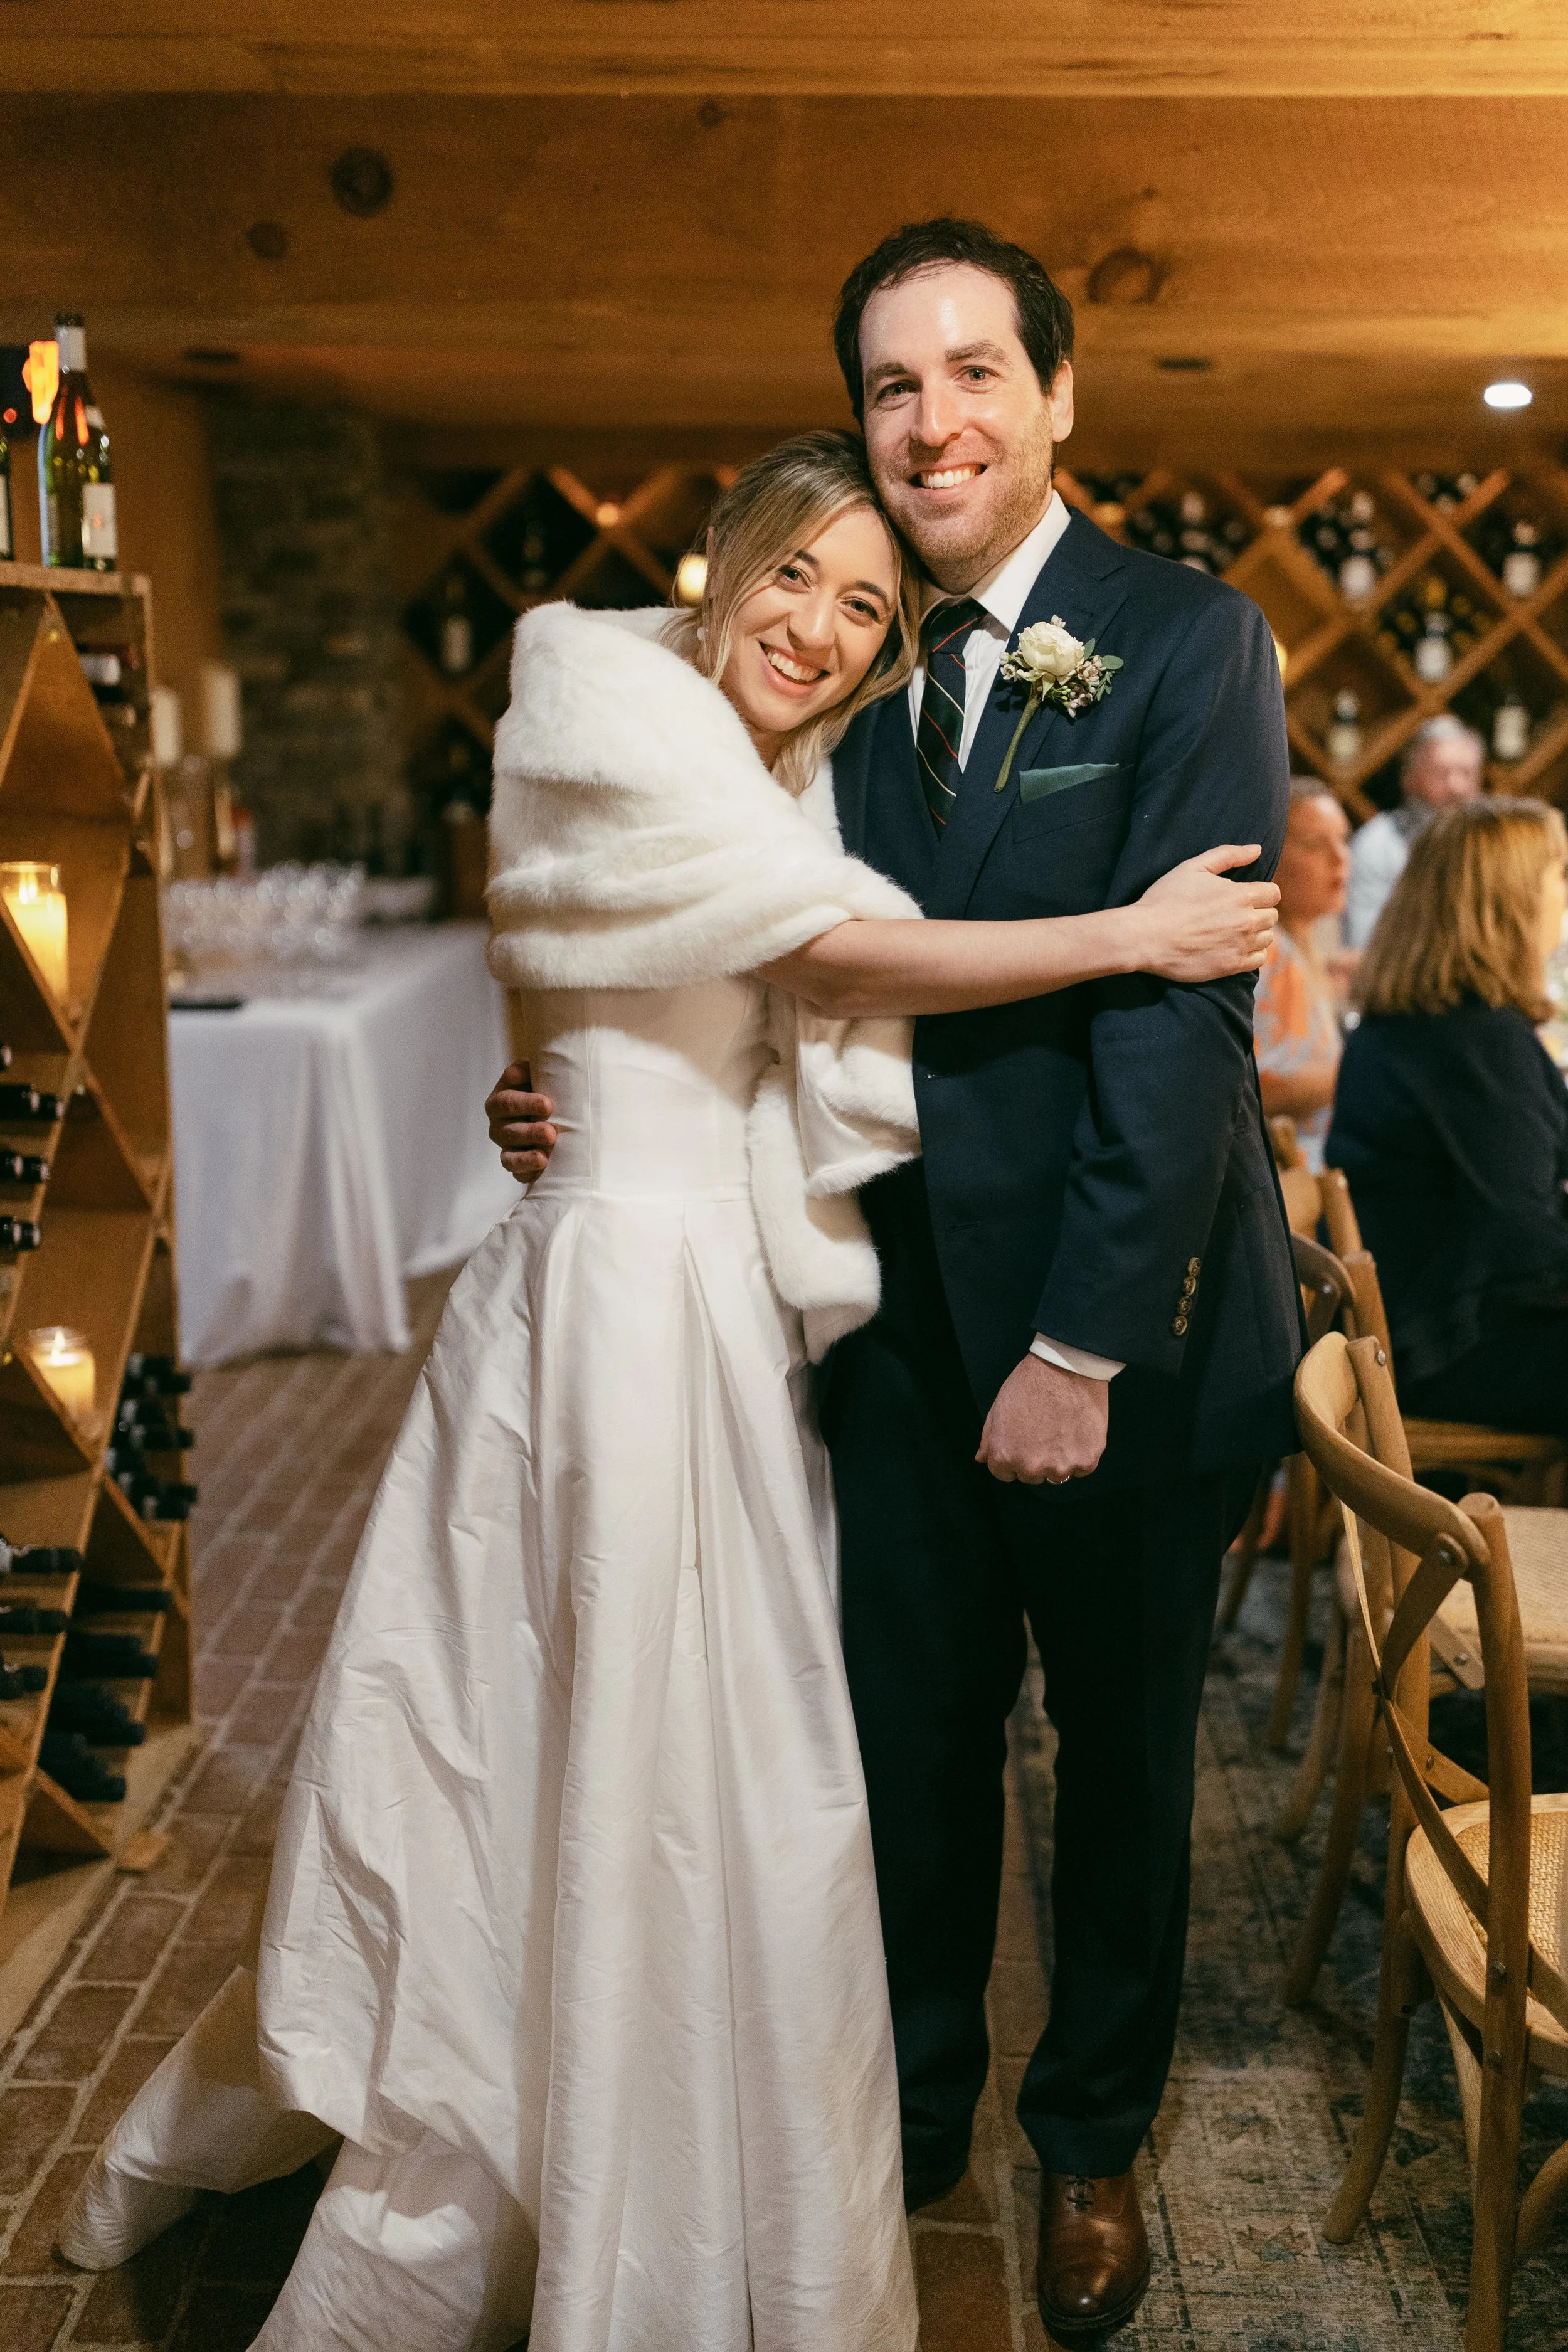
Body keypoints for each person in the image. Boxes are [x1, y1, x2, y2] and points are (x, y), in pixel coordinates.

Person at [61, 431, 1277, 2351]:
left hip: (754, 1296)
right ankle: (609, 2122)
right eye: (792, 572)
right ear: (718, 558)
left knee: (747, 1727)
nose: (818, 622)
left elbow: (619, 961)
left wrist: (559, 1056)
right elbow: (814, 946)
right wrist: (1129, 928)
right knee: (630, 1716)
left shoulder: (811, 743)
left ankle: (928, 2120)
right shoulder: (601, 692)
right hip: (632, 1296)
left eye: (863, 604)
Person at [489, 218, 1302, 2348]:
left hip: (1118, 1328)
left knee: (1121, 1755)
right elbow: (745, 948)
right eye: (888, 386)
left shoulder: (1186, 639)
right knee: (909, 1737)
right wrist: (563, 1081)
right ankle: (910, 2095)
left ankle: (1095, 2139)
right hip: (886, 1318)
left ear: (1058, 398)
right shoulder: (844, 671)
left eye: (970, 374)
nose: (929, 422)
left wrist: (1080, 1344)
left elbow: (1182, 1025)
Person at [1328, 793, 1568, 1435]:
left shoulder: (1417, 1022)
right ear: (1511, 898)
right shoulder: (1476, 1039)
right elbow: (1524, 1239)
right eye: (1559, 875)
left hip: (1425, 1326)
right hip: (1453, 1345)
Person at [1253, 779, 1352, 1170]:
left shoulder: (1306, 947)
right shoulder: (1268, 951)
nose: (1340, 857)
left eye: (1343, 839)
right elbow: (1253, 1087)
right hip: (1296, 1194)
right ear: (1269, 851)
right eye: (1315, 844)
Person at [1343, 712, 1484, 948]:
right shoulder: (1376, 845)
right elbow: (1366, 947)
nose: (1456, 786)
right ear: (1411, 780)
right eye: (1442, 773)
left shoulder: (1491, 846)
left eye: (1466, 773)